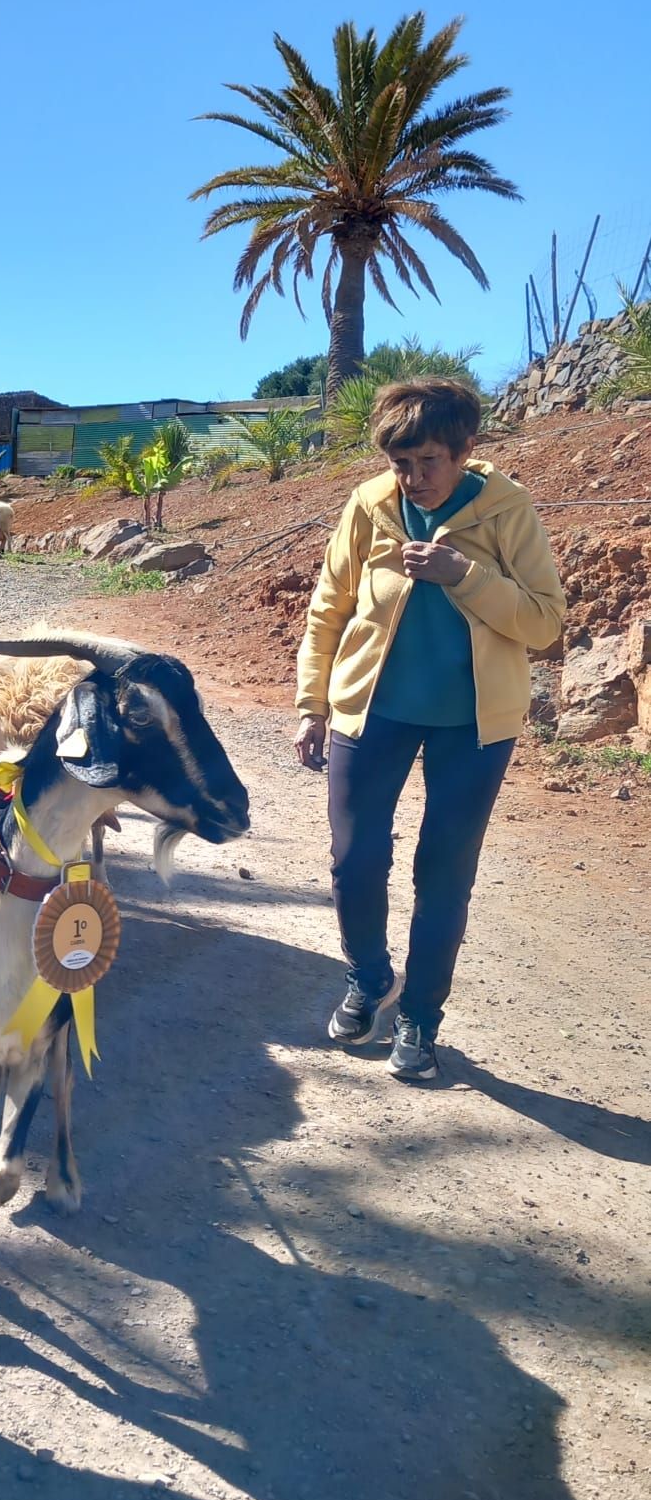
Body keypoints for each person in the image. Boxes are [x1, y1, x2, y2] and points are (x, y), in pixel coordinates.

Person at [294, 379, 565, 1082]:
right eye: (400, 465)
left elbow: (543, 622)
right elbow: (328, 611)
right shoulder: (369, 506)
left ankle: (419, 1016)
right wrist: (311, 705)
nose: (414, 480)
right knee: (354, 859)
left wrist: (464, 575)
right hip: (371, 712)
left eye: (429, 463)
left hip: (473, 726)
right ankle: (369, 976)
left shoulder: (508, 510)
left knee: (444, 873)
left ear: (465, 449)